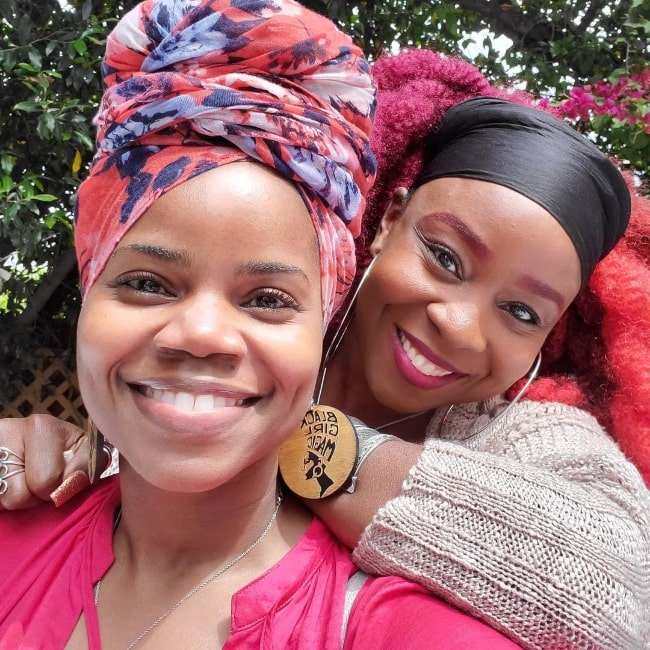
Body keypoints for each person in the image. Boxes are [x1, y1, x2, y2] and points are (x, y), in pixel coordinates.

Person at [2, 46, 650, 649]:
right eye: (445, 257)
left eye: (519, 310)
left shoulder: (534, 436)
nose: (459, 324)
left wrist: (299, 440)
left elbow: (626, 604)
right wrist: (55, 453)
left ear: (549, 333)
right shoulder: (274, 313)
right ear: (390, 221)